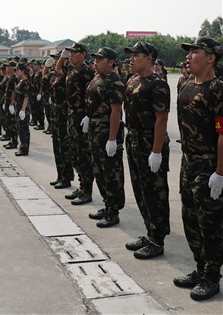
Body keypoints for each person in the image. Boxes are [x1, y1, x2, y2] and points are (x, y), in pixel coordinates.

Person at [174, 36, 223, 301]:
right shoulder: (185, 85)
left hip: (208, 165)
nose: (189, 56)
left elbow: (222, 133)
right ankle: (200, 268)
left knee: (210, 223)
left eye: (195, 51)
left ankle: (212, 277)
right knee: (190, 219)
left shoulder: (218, 90)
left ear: (211, 58)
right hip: (188, 162)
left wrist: (220, 172)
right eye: (189, 51)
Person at [123, 41, 171, 259]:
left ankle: (157, 240)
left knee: (155, 192)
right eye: (131, 55)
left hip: (150, 141)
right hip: (133, 139)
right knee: (140, 189)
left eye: (136, 55)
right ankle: (149, 232)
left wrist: (157, 151)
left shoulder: (158, 83)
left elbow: (162, 119)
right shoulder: (133, 80)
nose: (131, 59)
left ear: (149, 58)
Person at [85, 48, 126, 228]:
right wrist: (88, 116)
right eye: (96, 58)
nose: (96, 61)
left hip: (107, 130)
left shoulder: (114, 81)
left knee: (111, 172)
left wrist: (112, 139)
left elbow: (116, 111)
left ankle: (113, 211)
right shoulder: (96, 78)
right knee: (99, 170)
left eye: (100, 59)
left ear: (110, 62)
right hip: (95, 129)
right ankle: (107, 204)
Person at [57, 42, 95, 205]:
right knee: (74, 154)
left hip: (81, 115)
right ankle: (81, 187)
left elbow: (91, 95)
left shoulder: (87, 72)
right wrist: (63, 55)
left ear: (83, 54)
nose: (71, 55)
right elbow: (58, 68)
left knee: (83, 155)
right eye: (70, 53)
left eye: (74, 53)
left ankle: (87, 191)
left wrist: (88, 114)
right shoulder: (71, 69)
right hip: (71, 114)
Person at [45, 51, 74, 189]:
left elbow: (59, 66)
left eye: (57, 59)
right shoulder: (54, 75)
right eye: (55, 59)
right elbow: (44, 76)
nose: (55, 61)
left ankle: (66, 177)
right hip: (55, 111)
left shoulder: (67, 72)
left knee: (64, 147)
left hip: (63, 112)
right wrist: (46, 66)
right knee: (56, 146)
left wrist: (63, 57)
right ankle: (60, 175)